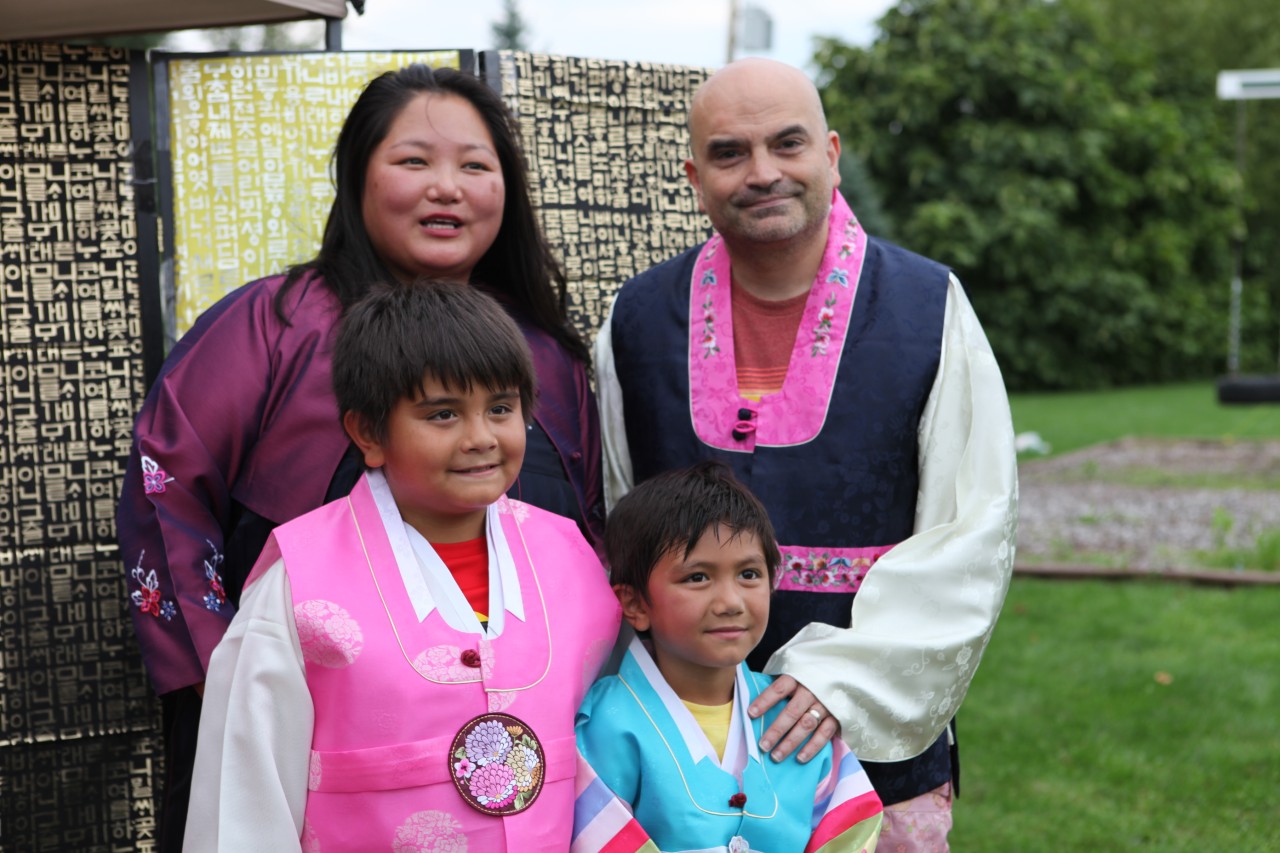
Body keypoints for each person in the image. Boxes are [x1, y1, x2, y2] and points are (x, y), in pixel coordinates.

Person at [116, 64, 605, 852]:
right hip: (299, 720)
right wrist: (226, 671)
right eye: (414, 160)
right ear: (357, 176)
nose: (447, 187)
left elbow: (587, 534)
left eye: (475, 165)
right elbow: (163, 489)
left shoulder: (547, 354)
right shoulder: (271, 325)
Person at [594, 58, 1019, 849]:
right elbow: (618, 517)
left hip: (872, 762)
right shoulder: (638, 319)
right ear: (695, 177)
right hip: (675, 760)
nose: (762, 172)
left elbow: (974, 529)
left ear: (830, 153)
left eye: (787, 144)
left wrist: (840, 682)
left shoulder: (928, 307)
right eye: (729, 153)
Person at [182, 280, 621, 851]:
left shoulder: (571, 560)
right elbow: (247, 796)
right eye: (443, 414)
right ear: (368, 432)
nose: (480, 438)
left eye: (501, 408)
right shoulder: (299, 580)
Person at [575, 463, 883, 853]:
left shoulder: (798, 717)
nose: (731, 602)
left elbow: (849, 832)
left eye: (749, 574)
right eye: (697, 577)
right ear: (635, 603)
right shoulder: (607, 723)